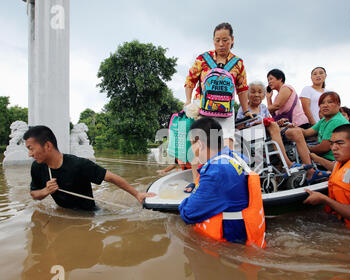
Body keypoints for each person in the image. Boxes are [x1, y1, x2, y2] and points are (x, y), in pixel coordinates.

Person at [183, 22, 250, 192]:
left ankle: (222, 182)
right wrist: (187, 101)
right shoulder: (202, 59)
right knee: (199, 145)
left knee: (226, 147)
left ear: (232, 40)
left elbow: (242, 89)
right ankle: (197, 182)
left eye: (225, 40)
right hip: (203, 108)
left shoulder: (238, 63)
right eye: (217, 40)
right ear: (213, 40)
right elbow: (190, 80)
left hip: (226, 112)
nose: (221, 44)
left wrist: (246, 110)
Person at [179, 118, 266, 247]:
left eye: (191, 144)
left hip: (235, 245)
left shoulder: (216, 171)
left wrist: (187, 200)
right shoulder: (234, 156)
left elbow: (189, 213)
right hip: (248, 236)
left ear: (199, 144)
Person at [24, 125, 155, 210]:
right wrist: (45, 191)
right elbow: (34, 194)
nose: (30, 154)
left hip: (89, 214)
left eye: (31, 149)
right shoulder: (37, 167)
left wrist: (137, 194)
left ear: (47, 145)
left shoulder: (78, 164)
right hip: (63, 213)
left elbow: (111, 177)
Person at [286, 91, 349, 184]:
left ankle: (310, 173)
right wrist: (294, 127)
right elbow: (307, 132)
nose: (325, 105)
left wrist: (305, 149)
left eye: (330, 102)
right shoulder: (325, 119)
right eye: (322, 103)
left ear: (338, 104)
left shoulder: (336, 121)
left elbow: (324, 147)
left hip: (333, 160)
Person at [237, 81, 295, 168]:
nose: (257, 95)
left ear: (263, 95)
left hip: (267, 134)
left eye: (260, 92)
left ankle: (284, 163)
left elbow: (269, 121)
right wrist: (252, 125)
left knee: (291, 128)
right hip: (251, 136)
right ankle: (287, 162)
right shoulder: (244, 108)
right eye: (253, 92)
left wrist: (282, 124)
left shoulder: (263, 107)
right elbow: (239, 126)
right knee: (273, 126)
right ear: (247, 95)